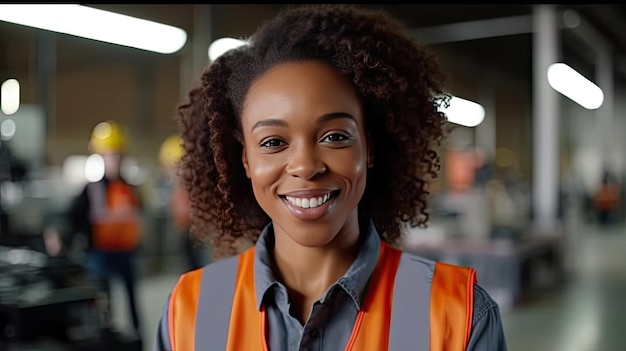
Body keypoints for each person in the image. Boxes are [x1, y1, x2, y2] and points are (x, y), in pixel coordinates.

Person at [153, 4, 507, 351]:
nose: (306, 166)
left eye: (335, 137)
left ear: (368, 148)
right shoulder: (191, 310)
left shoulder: (458, 314)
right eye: (273, 142)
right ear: (244, 160)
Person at [55, 120, 144, 342]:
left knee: (133, 300)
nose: (114, 159)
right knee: (104, 304)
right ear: (101, 157)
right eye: (110, 154)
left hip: (126, 253)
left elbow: (136, 217)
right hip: (101, 255)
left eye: (117, 154)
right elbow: (70, 217)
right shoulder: (92, 189)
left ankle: (138, 338)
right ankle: (109, 339)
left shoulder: (130, 188)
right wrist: (58, 235)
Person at [158, 134, 209, 272]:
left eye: (171, 167)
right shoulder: (175, 191)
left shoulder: (198, 191)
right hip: (185, 242)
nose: (169, 172)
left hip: (199, 242)